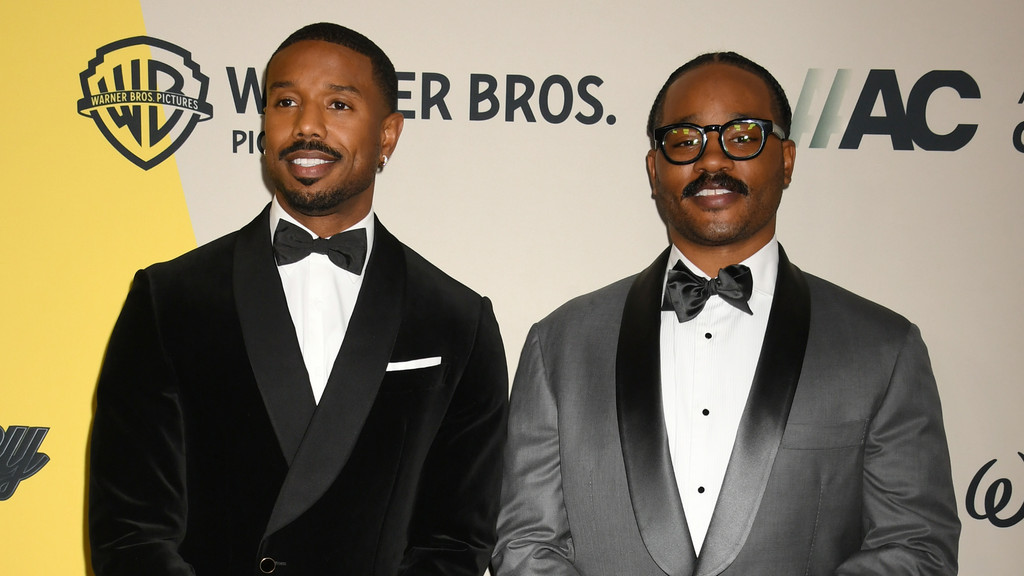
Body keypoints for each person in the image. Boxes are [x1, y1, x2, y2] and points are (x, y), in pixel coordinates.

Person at [492, 52, 959, 576]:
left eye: (741, 136)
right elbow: (528, 544)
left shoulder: (883, 349)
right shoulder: (560, 345)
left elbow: (917, 546)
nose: (711, 161)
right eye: (685, 140)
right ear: (654, 169)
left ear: (786, 159)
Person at [89, 22, 508, 576]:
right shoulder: (169, 299)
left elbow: (457, 541)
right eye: (285, 101)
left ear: (388, 135)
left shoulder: (458, 320)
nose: (307, 125)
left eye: (338, 104)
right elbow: (129, 531)